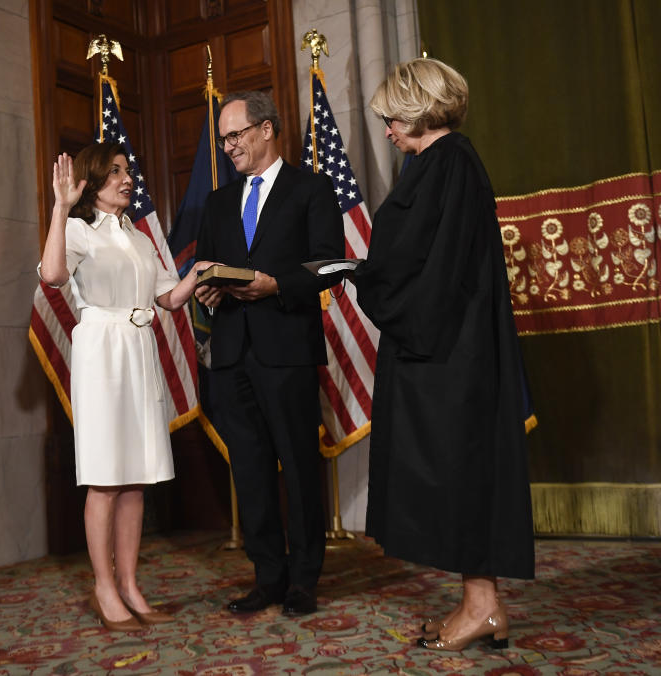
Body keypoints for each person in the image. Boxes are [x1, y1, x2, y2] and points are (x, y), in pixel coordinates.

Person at [353, 58, 535, 651]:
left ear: (419, 108)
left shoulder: (448, 162)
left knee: (462, 475)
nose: (387, 130)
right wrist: (371, 274)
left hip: (450, 356)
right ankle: (477, 604)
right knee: (457, 475)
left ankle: (483, 606)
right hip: (446, 348)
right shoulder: (439, 164)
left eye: (392, 118)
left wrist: (366, 275)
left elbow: (428, 266)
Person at [38, 143, 213, 632]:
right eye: (115, 171)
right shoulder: (76, 228)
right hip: (102, 352)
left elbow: (167, 298)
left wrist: (199, 272)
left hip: (140, 350)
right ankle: (103, 588)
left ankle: (131, 585)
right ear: (92, 182)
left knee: (136, 477)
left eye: (128, 170)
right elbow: (52, 275)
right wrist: (60, 207)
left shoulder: (138, 236)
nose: (127, 178)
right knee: (106, 475)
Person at [194, 91, 344, 616]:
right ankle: (268, 577)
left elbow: (329, 264)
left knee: (300, 468)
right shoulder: (216, 203)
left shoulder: (312, 189)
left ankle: (304, 580)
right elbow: (208, 268)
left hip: (287, 349)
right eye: (224, 139)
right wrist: (210, 288)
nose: (229, 146)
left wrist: (275, 284)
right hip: (232, 355)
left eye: (235, 135)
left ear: (266, 130)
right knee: (252, 471)